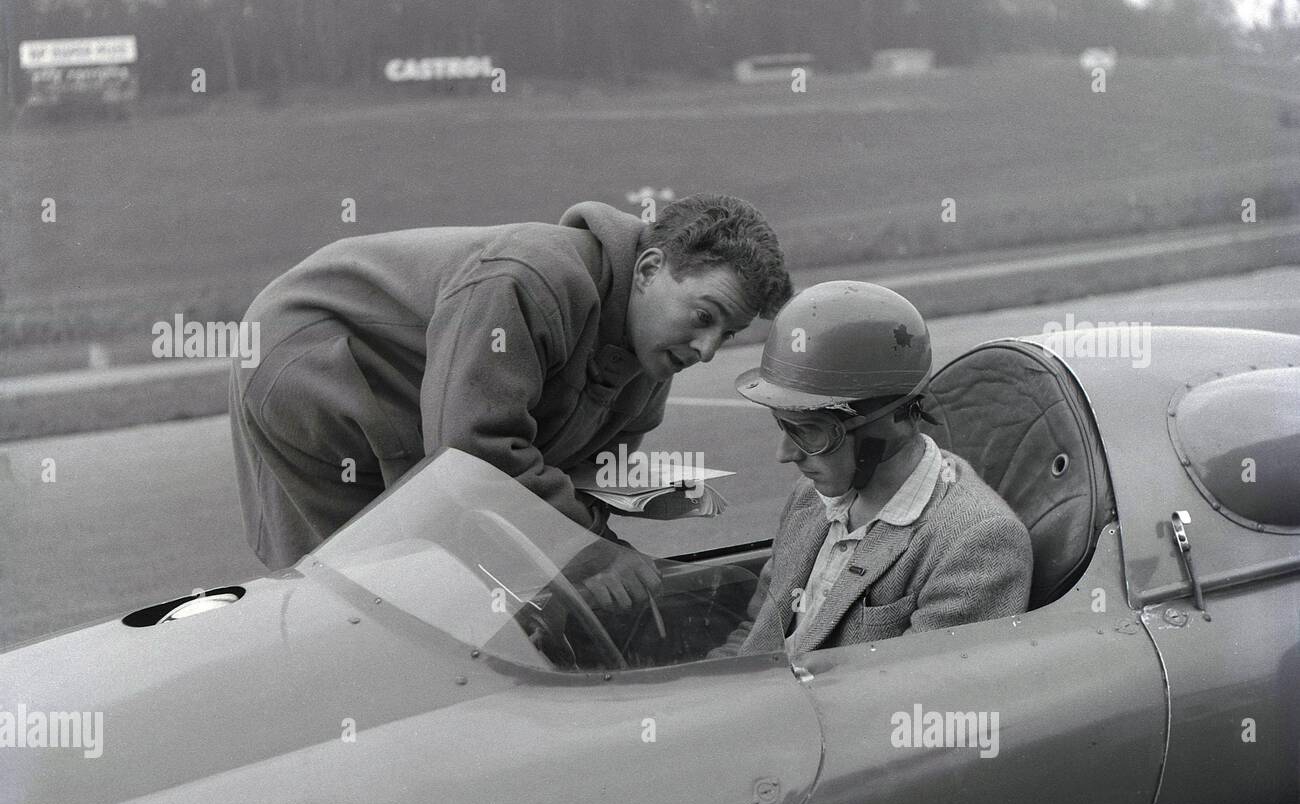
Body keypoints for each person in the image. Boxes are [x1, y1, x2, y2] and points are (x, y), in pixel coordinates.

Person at [229, 194, 793, 607]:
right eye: (704, 317)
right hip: (312, 355)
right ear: (649, 270)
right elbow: (469, 455)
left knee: (469, 574)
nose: (708, 348)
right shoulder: (526, 279)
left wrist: (600, 541)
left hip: (412, 386)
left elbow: (585, 476)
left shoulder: (654, 346)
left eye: (728, 333)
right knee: (377, 588)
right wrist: (591, 553)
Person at [711, 281, 1032, 656]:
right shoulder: (809, 498)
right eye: (782, 425)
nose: (785, 455)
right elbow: (757, 630)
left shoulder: (977, 543)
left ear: (896, 420)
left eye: (810, 432)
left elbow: (911, 697)